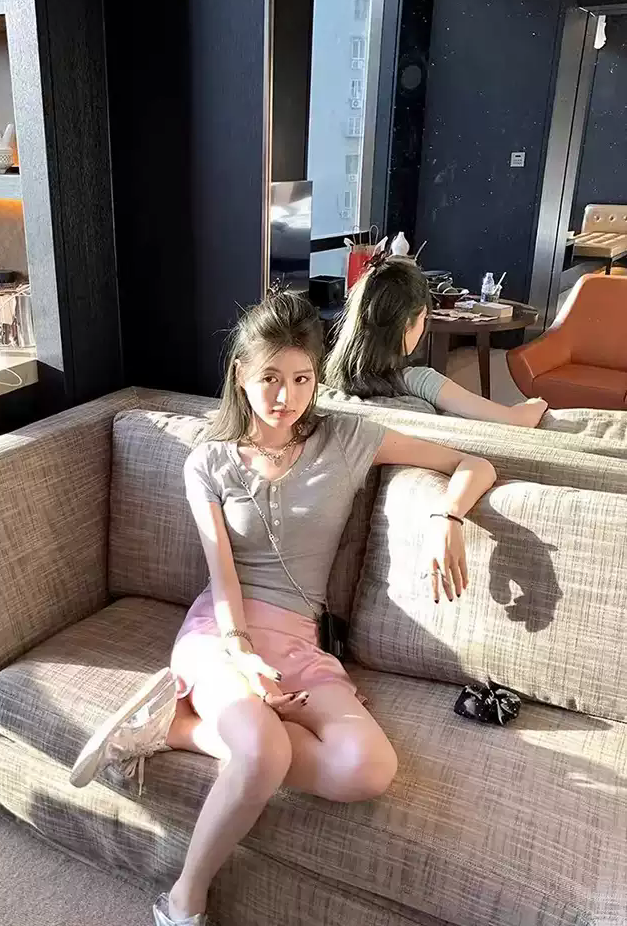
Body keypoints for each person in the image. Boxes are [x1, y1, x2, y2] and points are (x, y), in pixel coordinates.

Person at [69, 290, 497, 926]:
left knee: (368, 768)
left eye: (302, 379)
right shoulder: (208, 462)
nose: (286, 396)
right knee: (264, 750)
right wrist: (243, 658)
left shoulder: (347, 439)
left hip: (299, 641)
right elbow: (222, 577)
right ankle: (183, 900)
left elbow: (474, 463)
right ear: (241, 373)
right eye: (270, 377)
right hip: (222, 632)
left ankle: (174, 729)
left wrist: (447, 516)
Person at [323, 257, 549, 427]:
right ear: (406, 324)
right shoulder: (419, 381)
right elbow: (517, 420)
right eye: (424, 318)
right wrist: (537, 404)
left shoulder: (326, 389)